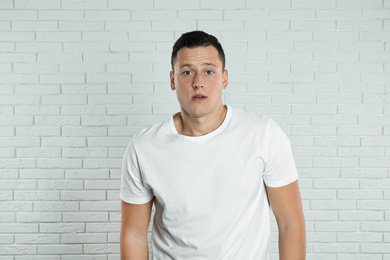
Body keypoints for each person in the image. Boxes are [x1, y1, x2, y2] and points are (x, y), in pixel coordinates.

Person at [120, 30, 306, 260]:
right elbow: (134, 234)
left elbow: (291, 224)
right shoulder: (144, 147)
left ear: (224, 78)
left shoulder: (263, 134)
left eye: (209, 71)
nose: (198, 82)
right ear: (172, 80)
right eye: (187, 72)